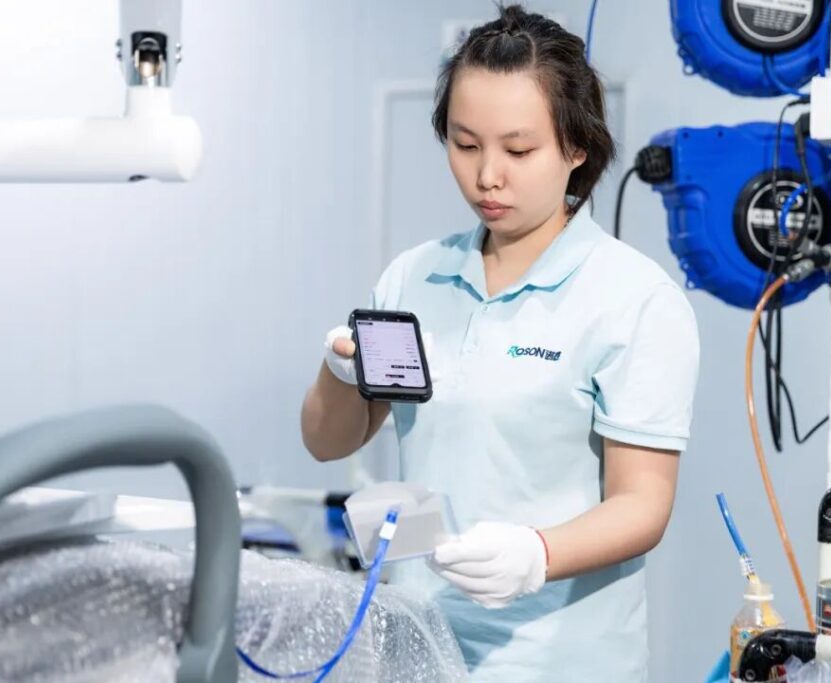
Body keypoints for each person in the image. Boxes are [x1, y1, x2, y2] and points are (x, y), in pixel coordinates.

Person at [300, 5, 700, 681]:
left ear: (577, 147)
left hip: (560, 663)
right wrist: (337, 374)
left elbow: (643, 505)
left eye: (518, 151)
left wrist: (537, 554)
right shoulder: (415, 276)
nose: (488, 175)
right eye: (465, 145)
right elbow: (326, 441)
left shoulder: (633, 300)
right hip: (419, 649)